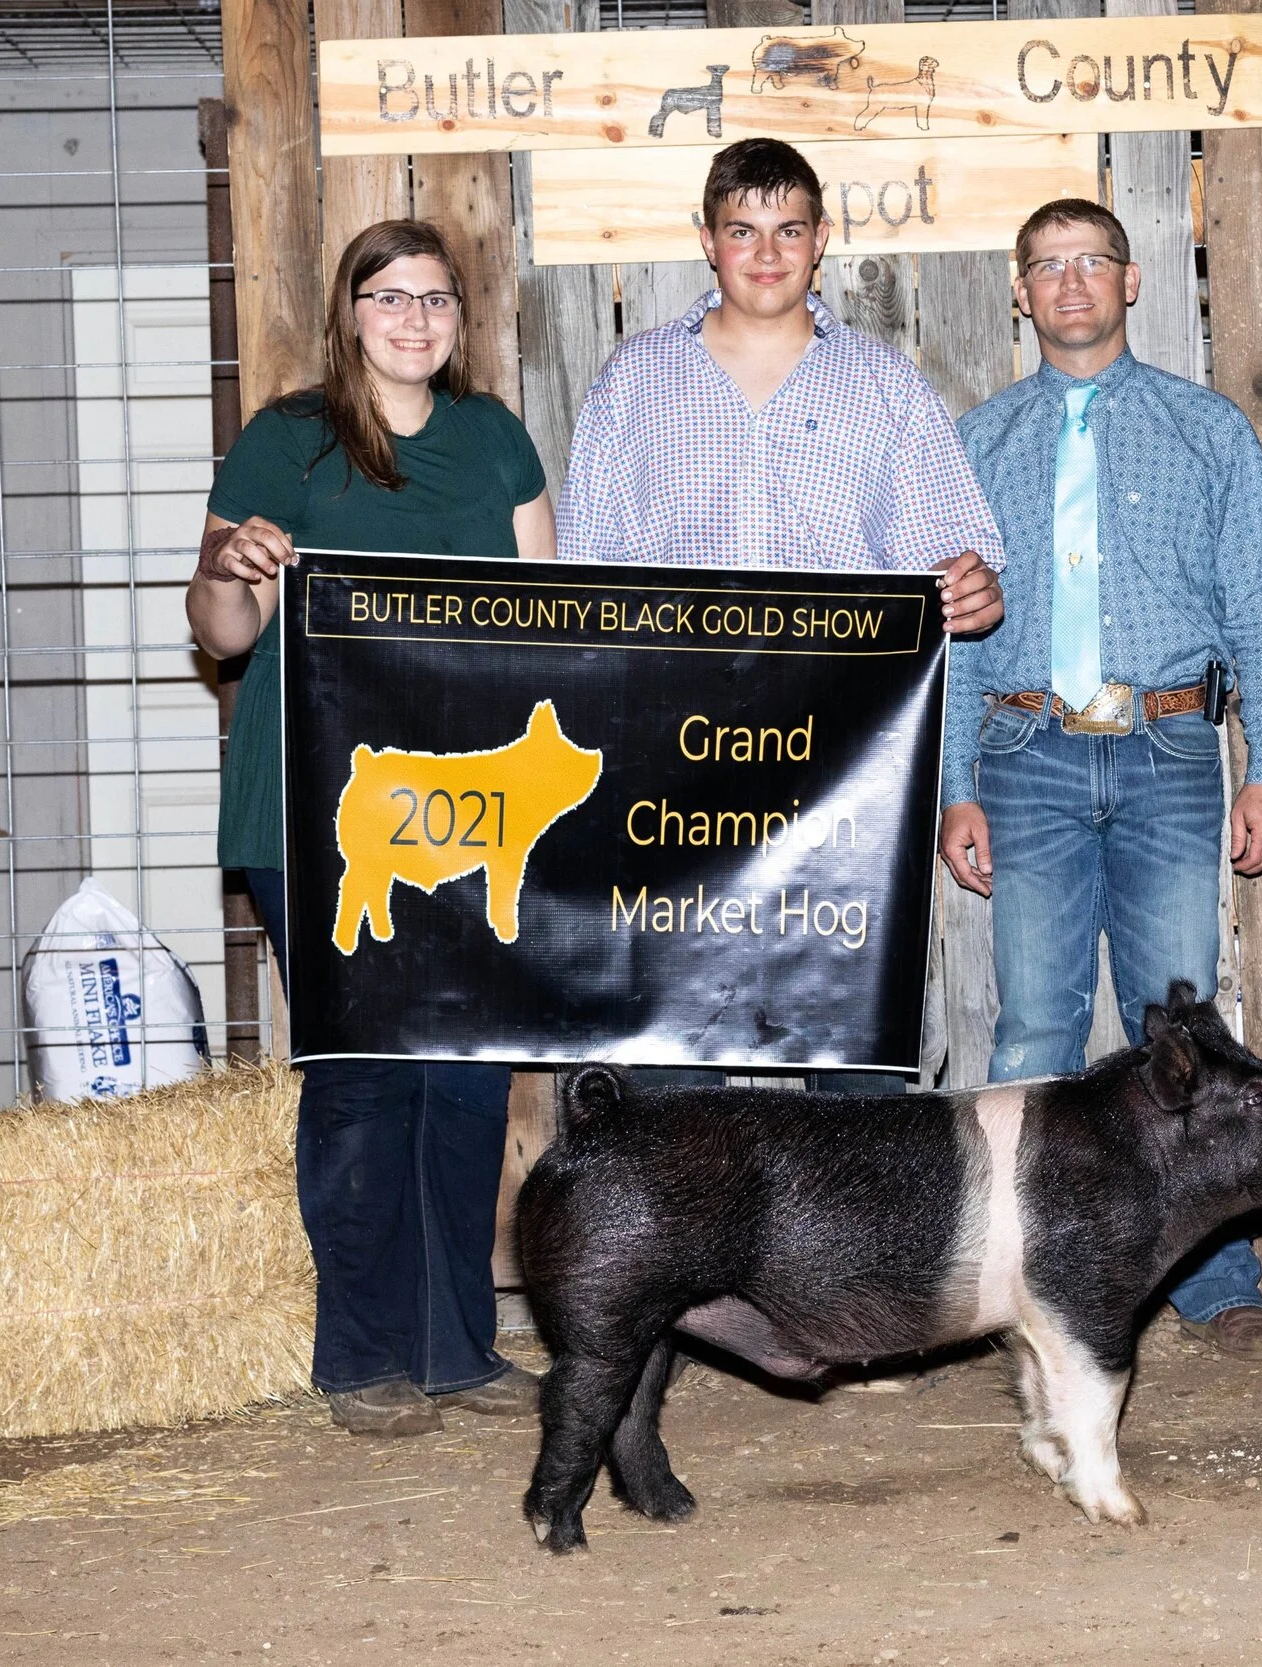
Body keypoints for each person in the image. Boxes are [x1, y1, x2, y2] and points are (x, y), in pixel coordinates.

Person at [187, 219, 553, 1438]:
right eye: (389, 298)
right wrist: (238, 567)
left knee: (464, 1076)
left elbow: (544, 618)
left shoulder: (495, 440)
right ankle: (360, 1354)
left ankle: (459, 1345)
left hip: (468, 812)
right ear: (351, 312)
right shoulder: (287, 442)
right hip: (319, 810)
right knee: (359, 1073)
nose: (414, 320)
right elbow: (222, 635)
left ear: (461, 314)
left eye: (435, 299)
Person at [938, 200, 1262, 1362]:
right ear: (1019, 292)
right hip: (1028, 750)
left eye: (1090, 260)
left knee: (1180, 1025)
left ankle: (1214, 1283)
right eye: (1045, 265)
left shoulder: (1206, 431)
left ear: (1132, 280)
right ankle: (1015, 1283)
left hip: (1167, 751)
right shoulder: (979, 441)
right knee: (1034, 1022)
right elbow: (950, 637)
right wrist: (958, 784)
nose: (1070, 282)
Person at [557, 137, 1002, 1095]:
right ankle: (678, 1249)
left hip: (844, 775)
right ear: (707, 241)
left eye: (788, 230)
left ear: (821, 240)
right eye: (743, 231)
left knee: (856, 1068)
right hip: (671, 768)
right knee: (669, 1067)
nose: (766, 253)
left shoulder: (886, 386)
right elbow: (587, 591)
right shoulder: (631, 384)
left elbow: (961, 574)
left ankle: (858, 1250)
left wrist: (972, 591)